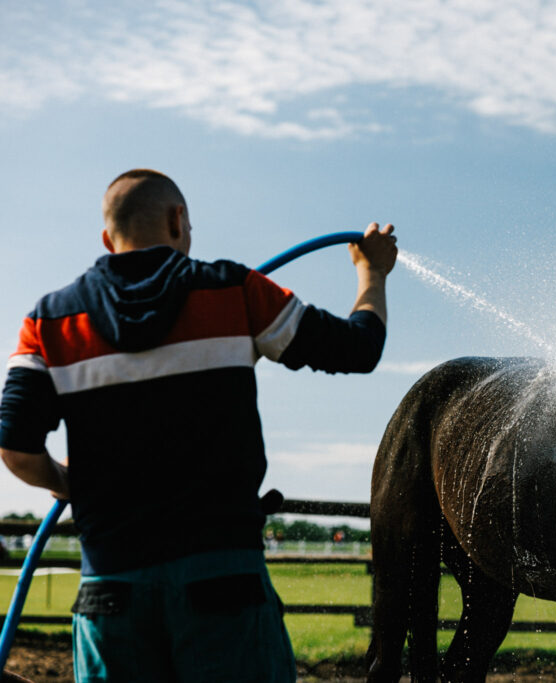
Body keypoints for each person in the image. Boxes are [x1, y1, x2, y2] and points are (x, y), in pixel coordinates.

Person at [0, 169, 397, 682]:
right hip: (225, 584)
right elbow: (358, 348)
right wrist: (372, 273)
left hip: (111, 592)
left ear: (108, 239)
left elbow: (15, 448)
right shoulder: (234, 291)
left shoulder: (49, 321)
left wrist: (67, 481)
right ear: (177, 220)